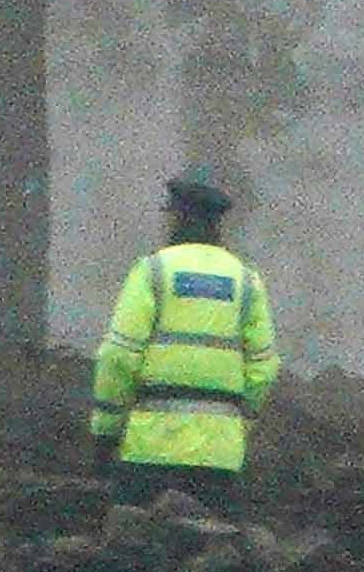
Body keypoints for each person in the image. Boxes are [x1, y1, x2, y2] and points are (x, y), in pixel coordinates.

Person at [90, 173, 278, 506]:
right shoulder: (246, 281)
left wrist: (105, 432)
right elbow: (263, 367)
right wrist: (239, 424)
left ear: (177, 217)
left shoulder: (153, 271)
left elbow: (118, 357)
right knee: (216, 550)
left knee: (139, 548)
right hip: (219, 458)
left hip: (149, 452)